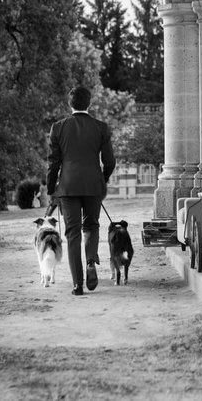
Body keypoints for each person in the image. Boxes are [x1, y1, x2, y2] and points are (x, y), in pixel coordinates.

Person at [46, 86, 116, 295]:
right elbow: (110, 161)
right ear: (89, 103)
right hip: (93, 186)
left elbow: (53, 163)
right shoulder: (101, 127)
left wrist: (52, 189)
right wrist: (101, 180)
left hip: (68, 187)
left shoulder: (58, 128)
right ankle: (91, 261)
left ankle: (77, 284)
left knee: (73, 232)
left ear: (70, 104)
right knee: (92, 226)